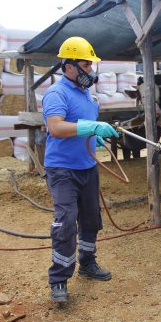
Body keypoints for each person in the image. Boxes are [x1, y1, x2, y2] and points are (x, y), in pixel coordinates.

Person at [41, 36, 120, 304]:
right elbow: (56, 127)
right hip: (62, 169)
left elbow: (82, 127)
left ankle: (88, 263)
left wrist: (93, 136)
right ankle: (59, 280)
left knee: (90, 219)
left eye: (91, 65)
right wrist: (90, 128)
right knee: (65, 223)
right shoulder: (56, 93)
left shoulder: (87, 95)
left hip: (87, 166)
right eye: (87, 65)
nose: (91, 70)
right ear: (70, 65)